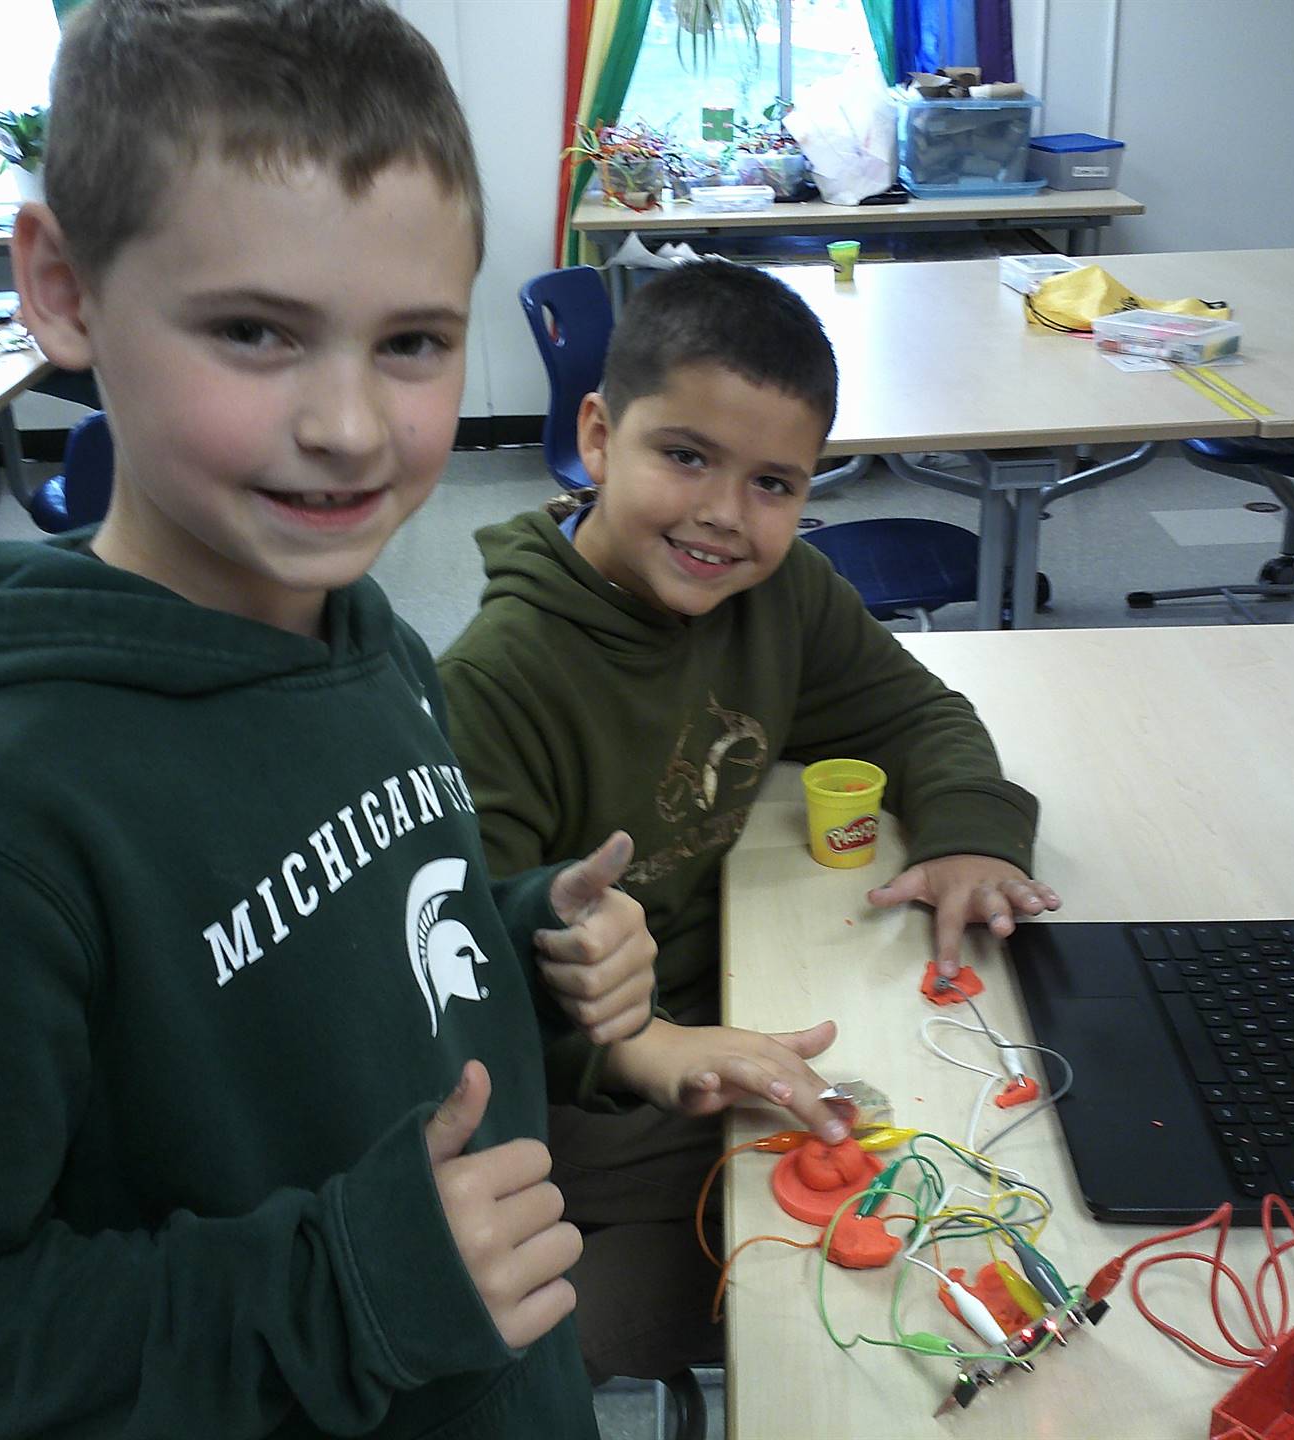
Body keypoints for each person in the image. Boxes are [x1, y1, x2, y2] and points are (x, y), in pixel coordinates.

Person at [0, 4, 746, 1436]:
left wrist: (519, 938)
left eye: (413, 342)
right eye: (254, 331)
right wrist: (343, 1287)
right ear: (61, 286)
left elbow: (342, 945)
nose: (352, 427)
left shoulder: (362, 637)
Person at [438, 259, 1062, 1381]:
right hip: (571, 1108)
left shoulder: (779, 595)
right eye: (685, 458)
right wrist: (644, 1046)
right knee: (837, 1308)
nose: (726, 516)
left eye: (776, 483)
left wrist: (969, 831)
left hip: (719, 1014)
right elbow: (459, 989)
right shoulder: (502, 680)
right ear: (596, 435)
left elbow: (917, 712)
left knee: (967, 1156)